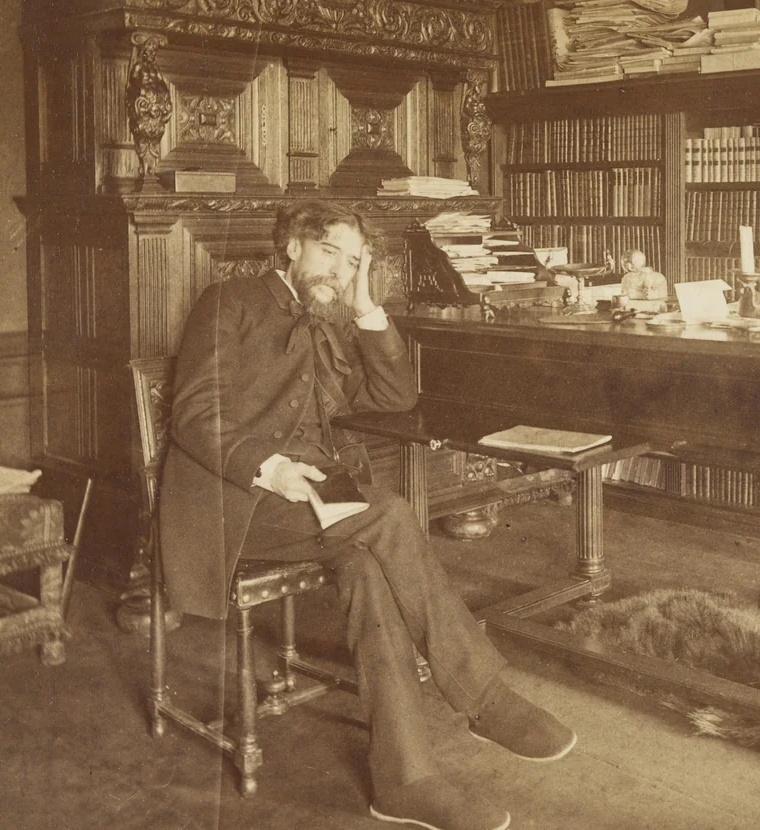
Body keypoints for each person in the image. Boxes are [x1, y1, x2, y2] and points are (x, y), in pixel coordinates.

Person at [159, 200, 575, 830]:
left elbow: (393, 396)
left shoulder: (327, 319)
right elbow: (193, 415)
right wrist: (269, 469)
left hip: (312, 506)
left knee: (368, 570)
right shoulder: (228, 302)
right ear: (292, 246)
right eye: (330, 252)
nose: (339, 269)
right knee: (388, 517)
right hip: (233, 505)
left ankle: (405, 781)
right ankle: (484, 699)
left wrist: (364, 305)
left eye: (353, 261)